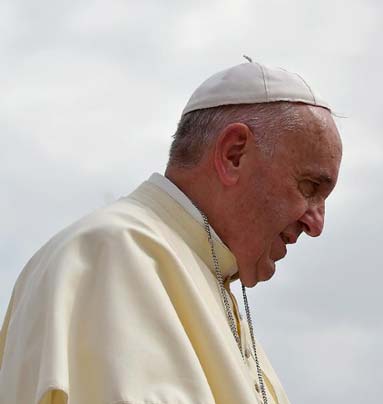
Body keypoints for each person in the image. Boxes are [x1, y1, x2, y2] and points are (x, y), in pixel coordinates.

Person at [0, 59, 343, 404]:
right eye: (310, 186)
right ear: (234, 154)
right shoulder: (113, 255)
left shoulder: (205, 278)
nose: (316, 224)